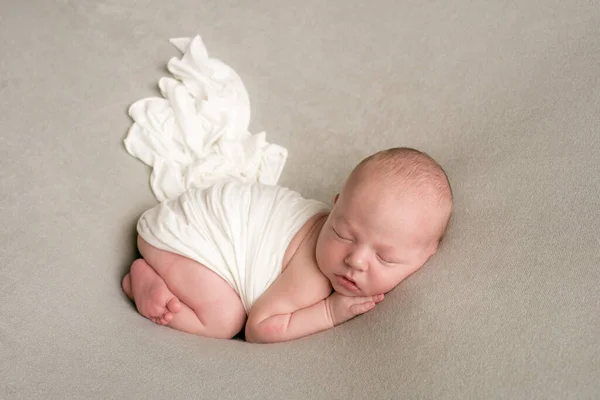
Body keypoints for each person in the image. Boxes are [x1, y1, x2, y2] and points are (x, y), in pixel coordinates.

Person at [121, 147, 453, 343]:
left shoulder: (353, 246)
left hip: (199, 221)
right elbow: (260, 328)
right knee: (225, 319)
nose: (356, 260)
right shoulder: (312, 273)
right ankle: (144, 279)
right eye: (344, 235)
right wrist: (329, 311)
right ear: (334, 206)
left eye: (385, 256)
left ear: (427, 255)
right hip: (183, 239)